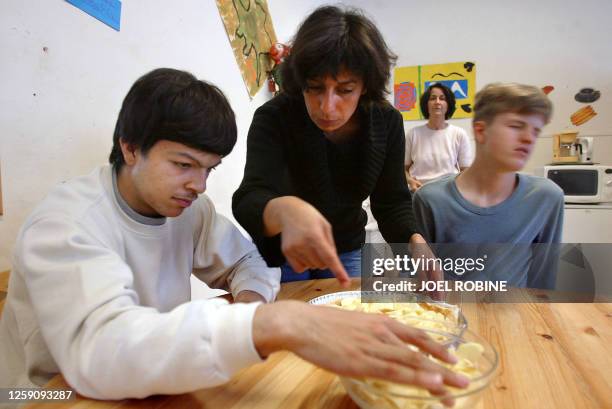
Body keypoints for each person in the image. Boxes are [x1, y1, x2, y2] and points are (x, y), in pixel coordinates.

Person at [0, 68, 468, 404]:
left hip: (147, 380)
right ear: (130, 146)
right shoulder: (67, 222)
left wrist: (248, 305)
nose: (199, 186)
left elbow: (249, 264)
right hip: (47, 393)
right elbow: (100, 354)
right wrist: (274, 323)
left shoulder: (190, 209)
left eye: (209, 170)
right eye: (183, 165)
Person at [233, 6, 438, 284]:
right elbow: (248, 200)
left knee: (349, 319)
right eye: (315, 87)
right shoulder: (274, 117)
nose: (327, 107)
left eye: (345, 90)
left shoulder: (386, 121)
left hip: (346, 248)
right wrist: (284, 210)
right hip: (282, 254)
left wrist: (414, 240)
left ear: (365, 85)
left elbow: (391, 201)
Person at [412, 83, 564, 289]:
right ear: (481, 131)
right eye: (516, 126)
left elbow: (544, 285)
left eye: (536, 131)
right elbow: (417, 283)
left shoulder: (546, 198)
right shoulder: (430, 199)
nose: (529, 138)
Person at [405, 83, 473, 191]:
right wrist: (410, 181)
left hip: (449, 193)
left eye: (442, 98)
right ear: (426, 105)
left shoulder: (459, 134)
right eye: (432, 98)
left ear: (448, 104)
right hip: (418, 192)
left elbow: (466, 171)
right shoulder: (413, 134)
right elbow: (403, 169)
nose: (437, 102)